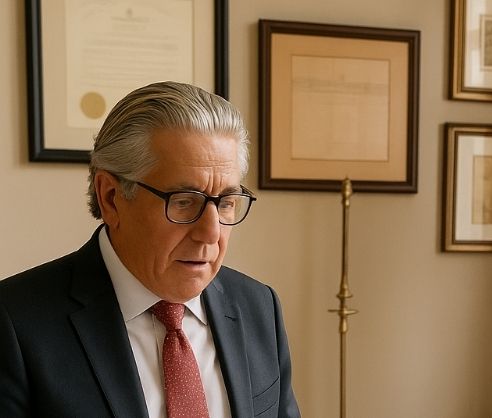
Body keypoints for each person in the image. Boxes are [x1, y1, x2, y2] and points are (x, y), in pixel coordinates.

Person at [0, 81, 300, 418]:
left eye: (226, 202)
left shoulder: (258, 306)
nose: (211, 233)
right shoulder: (15, 323)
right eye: (184, 202)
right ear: (111, 198)